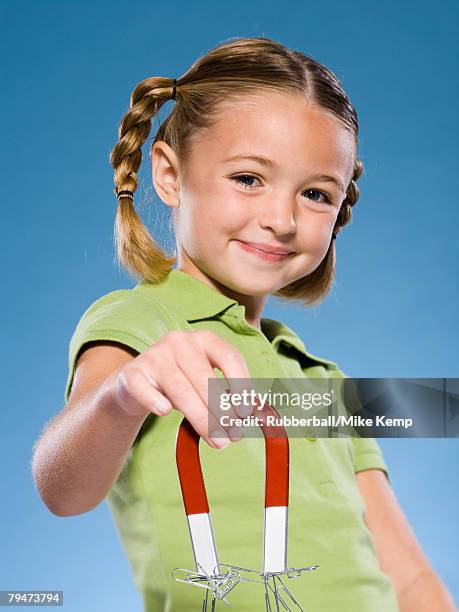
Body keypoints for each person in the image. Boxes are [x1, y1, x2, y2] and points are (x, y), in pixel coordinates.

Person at [31, 36, 456, 612]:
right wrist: (121, 395)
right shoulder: (142, 323)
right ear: (169, 174)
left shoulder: (323, 382)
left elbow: (410, 582)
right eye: (249, 179)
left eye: (314, 194)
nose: (281, 219)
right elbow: (62, 489)